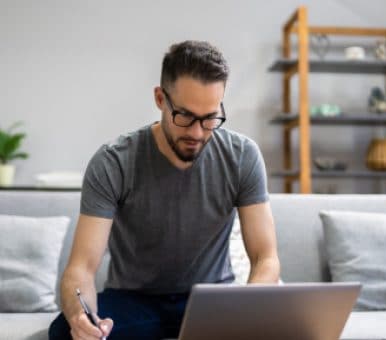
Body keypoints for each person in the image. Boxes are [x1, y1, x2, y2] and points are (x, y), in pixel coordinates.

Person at [49, 40, 280, 340]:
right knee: (65, 332)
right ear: (160, 98)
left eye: (210, 118)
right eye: (184, 116)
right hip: (133, 301)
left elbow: (266, 257)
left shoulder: (242, 156)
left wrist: (250, 306)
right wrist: (82, 317)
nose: (197, 133)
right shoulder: (114, 162)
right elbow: (81, 268)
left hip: (212, 300)